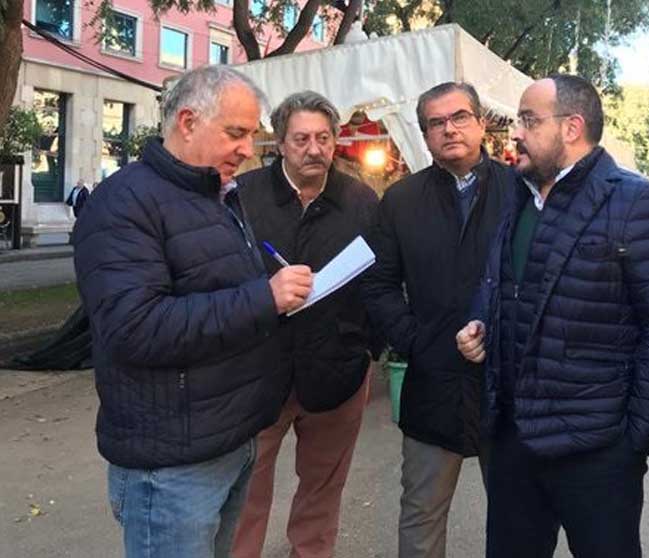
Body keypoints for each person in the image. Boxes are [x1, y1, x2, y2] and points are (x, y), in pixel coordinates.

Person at [71, 65, 314, 558]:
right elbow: (134, 329)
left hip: (229, 440)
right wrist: (262, 298)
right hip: (171, 466)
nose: (248, 149)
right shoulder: (123, 204)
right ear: (187, 121)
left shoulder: (217, 195)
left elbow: (214, 290)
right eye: (236, 133)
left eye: (251, 134)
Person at [455, 74, 649, 558]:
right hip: (513, 441)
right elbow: (503, 285)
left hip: (598, 451)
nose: (515, 133)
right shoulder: (520, 199)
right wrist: (482, 323)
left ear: (572, 127)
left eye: (528, 120)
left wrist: (636, 440)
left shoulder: (636, 202)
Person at [361, 81, 516, 558]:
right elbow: (378, 284)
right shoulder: (401, 200)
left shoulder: (521, 191)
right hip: (433, 380)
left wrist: (506, 334)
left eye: (460, 117)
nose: (449, 129)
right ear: (425, 135)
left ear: (481, 123)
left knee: (518, 517)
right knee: (421, 514)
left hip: (508, 384)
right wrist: (415, 340)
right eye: (436, 122)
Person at [231, 91, 379, 558]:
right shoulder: (243, 197)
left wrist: (367, 348)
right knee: (244, 497)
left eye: (323, 137)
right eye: (301, 139)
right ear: (279, 142)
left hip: (336, 375)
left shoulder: (361, 200)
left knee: (321, 495)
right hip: (257, 376)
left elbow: (380, 280)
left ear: (336, 141)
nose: (314, 149)